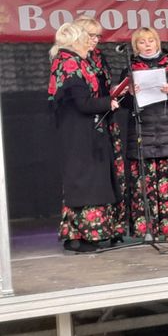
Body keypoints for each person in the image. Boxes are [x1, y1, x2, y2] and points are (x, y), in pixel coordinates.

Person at [48, 22, 123, 253]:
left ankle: (83, 235)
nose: (91, 43)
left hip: (83, 130)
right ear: (76, 41)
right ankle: (80, 236)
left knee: (87, 181)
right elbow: (81, 103)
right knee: (85, 182)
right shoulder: (70, 64)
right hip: (78, 131)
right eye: (87, 38)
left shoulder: (73, 62)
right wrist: (107, 103)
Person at [123, 27, 168, 239]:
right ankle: (147, 231)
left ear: (158, 42)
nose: (147, 45)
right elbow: (123, 103)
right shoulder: (130, 67)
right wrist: (130, 93)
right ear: (135, 46)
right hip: (142, 131)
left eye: (151, 40)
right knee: (146, 187)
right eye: (142, 42)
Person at [73, 15, 127, 224]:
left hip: (106, 119)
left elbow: (103, 89)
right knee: (88, 176)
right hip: (85, 124)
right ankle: (85, 227)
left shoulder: (98, 57)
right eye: (91, 35)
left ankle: (112, 225)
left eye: (98, 36)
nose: (95, 40)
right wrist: (105, 102)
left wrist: (118, 90)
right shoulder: (71, 61)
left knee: (110, 173)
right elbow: (78, 99)